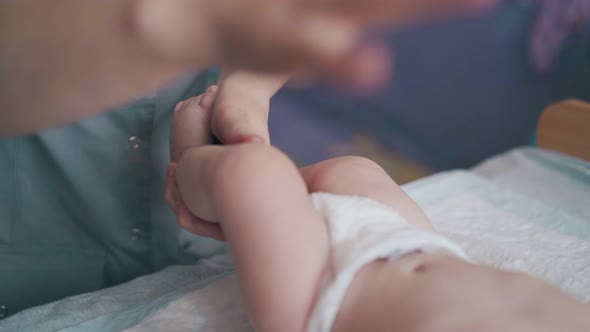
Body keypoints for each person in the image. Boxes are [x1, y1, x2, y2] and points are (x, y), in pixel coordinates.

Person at [0, 0, 496, 317]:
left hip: (182, 217)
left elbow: (271, 16)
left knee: (329, 174)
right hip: (42, 228)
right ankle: (196, 156)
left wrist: (246, 92)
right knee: (309, 175)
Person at [166, 87, 590, 332]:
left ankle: (193, 163)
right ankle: (272, 211)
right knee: (354, 171)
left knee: (254, 174)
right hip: (418, 246)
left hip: (326, 300)